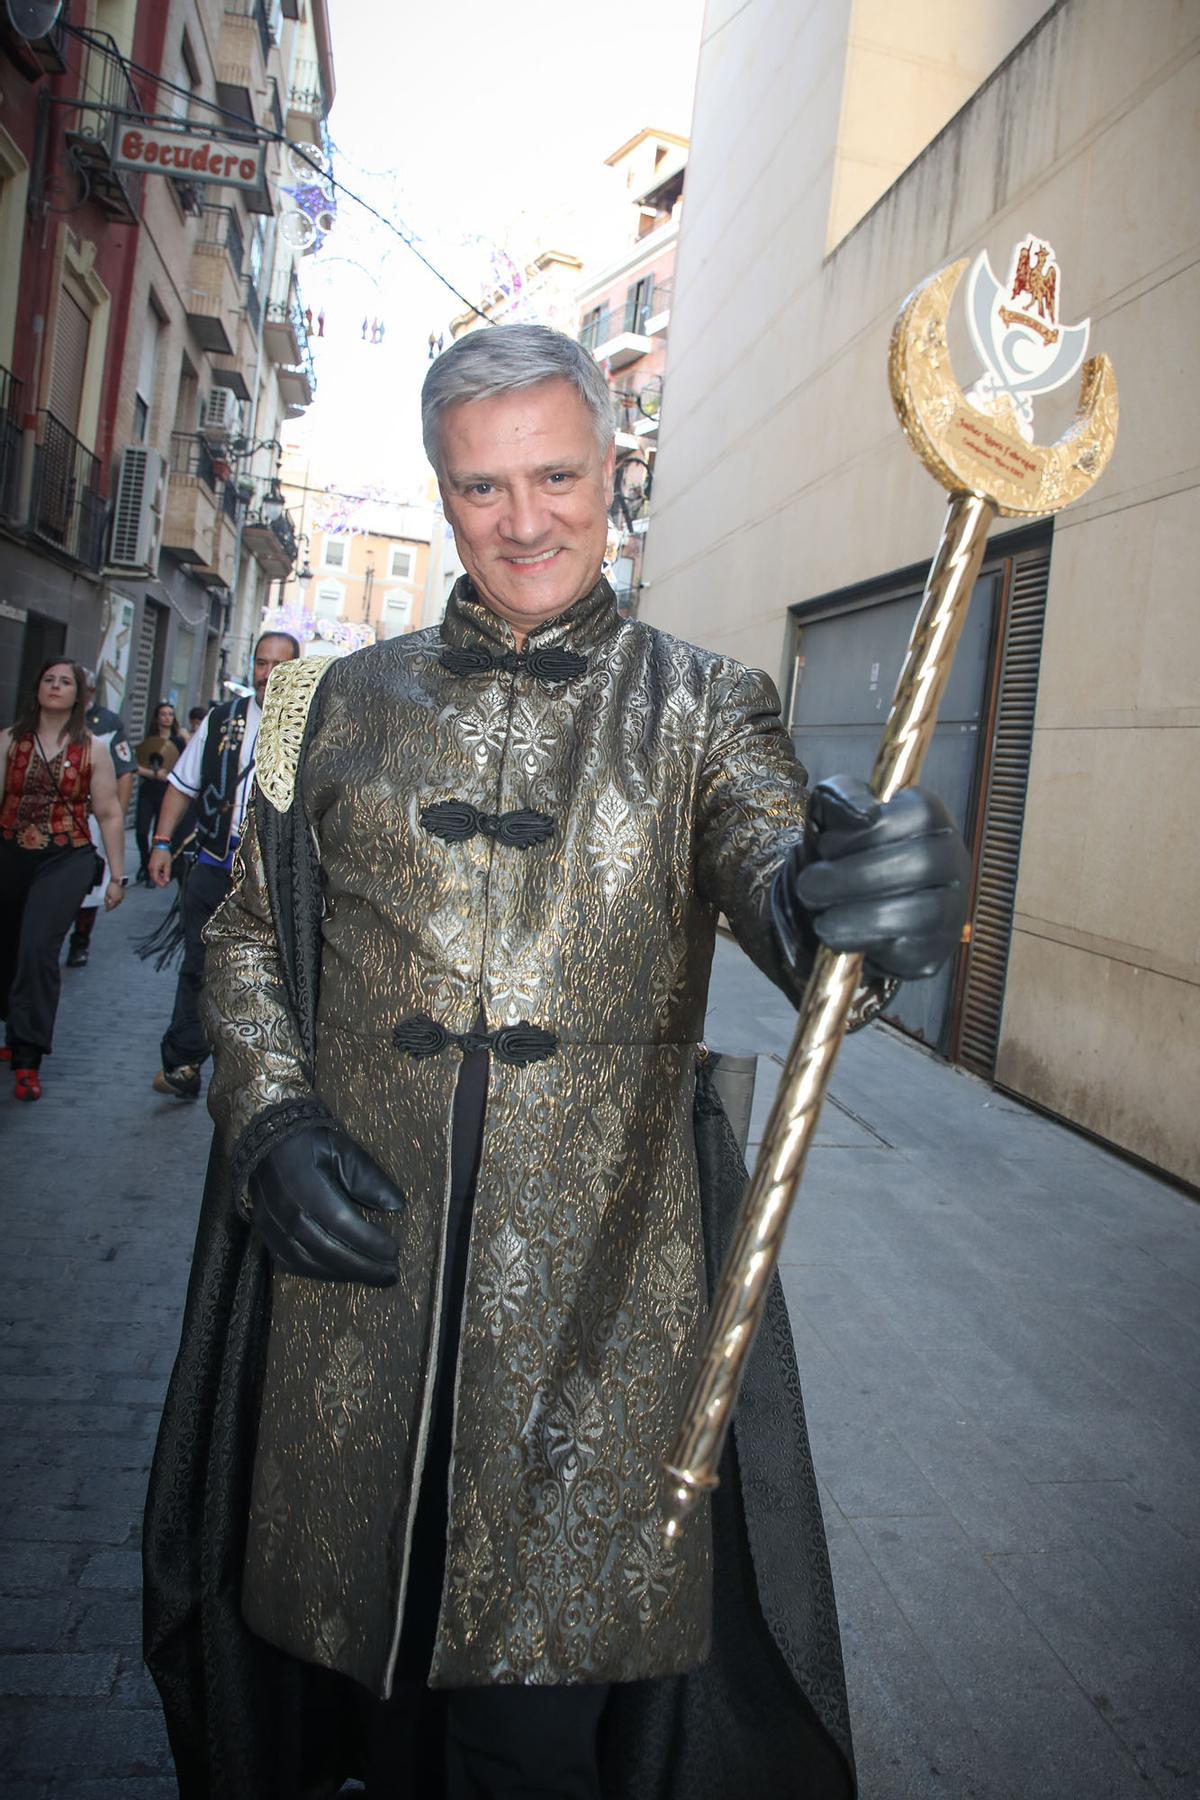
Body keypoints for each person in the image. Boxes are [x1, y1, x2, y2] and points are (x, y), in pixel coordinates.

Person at [145, 325, 969, 1799]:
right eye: (480, 487)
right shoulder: (328, 702)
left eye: (556, 476)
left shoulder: (706, 708)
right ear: (440, 493)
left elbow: (776, 869)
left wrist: (852, 894)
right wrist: (268, 1120)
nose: (523, 521)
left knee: (541, 1728)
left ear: (613, 473)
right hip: (354, 1301)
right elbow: (249, 938)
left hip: (594, 1305)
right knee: (360, 1694)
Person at [146, 634, 299, 1099]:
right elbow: (182, 785)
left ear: (295, 669)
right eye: (260, 662)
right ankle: (184, 1062)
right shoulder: (222, 720)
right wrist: (160, 842)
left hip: (273, 875)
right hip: (215, 862)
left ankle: (259, 1073)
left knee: (269, 973)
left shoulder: (312, 725)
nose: (265, 673)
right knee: (197, 963)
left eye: (277, 664)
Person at [0, 658, 127, 1099]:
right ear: (37, 689)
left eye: (65, 682)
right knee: (10, 945)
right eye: (48, 679)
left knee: (38, 947)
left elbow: (109, 813)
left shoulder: (92, 749)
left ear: (79, 695)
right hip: (11, 852)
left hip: (66, 858)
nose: (55, 686)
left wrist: (117, 876)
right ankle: (13, 1023)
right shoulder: (9, 743)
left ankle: (27, 1054)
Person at [65, 669, 137, 969]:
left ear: (91, 692)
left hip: (93, 819)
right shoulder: (53, 719)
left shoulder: (106, 724)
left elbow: (124, 772)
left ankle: (80, 941)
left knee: (91, 887)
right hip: (56, 820)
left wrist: (116, 816)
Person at [134, 701, 186, 883]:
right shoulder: (149, 739)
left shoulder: (179, 741)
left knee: (159, 831)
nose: (167, 717)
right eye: (163, 714)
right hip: (147, 790)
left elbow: (184, 768)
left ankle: (150, 870)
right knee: (141, 830)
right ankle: (144, 861)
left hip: (166, 792)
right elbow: (135, 765)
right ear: (157, 718)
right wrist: (152, 773)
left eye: (170, 714)